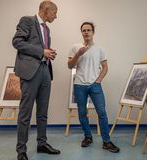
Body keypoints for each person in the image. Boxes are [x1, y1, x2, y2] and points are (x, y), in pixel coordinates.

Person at [12, 1, 60, 160]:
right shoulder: (27, 20)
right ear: (46, 10)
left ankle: (42, 143)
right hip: (30, 72)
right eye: (55, 12)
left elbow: (42, 50)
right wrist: (41, 51)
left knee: (43, 112)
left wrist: (49, 53)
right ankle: (21, 150)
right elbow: (17, 42)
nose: (56, 16)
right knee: (25, 112)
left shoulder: (47, 28)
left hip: (45, 70)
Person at [68, 22, 120, 153]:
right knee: (82, 113)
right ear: (81, 32)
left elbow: (105, 67)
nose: (86, 32)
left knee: (102, 113)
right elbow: (69, 65)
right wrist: (78, 54)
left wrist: (98, 80)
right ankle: (88, 137)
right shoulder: (75, 47)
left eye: (89, 30)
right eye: (84, 30)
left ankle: (106, 142)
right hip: (79, 85)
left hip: (94, 85)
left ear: (93, 32)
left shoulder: (100, 49)